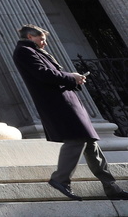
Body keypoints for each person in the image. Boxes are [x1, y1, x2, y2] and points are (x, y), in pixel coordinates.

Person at [11, 24, 128, 201]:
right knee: (77, 139)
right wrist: (71, 77)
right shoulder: (24, 52)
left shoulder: (32, 51)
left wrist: (71, 77)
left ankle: (111, 187)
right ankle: (60, 179)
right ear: (29, 37)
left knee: (91, 145)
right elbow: (44, 75)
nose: (44, 43)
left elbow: (50, 73)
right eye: (41, 39)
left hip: (65, 100)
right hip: (59, 102)